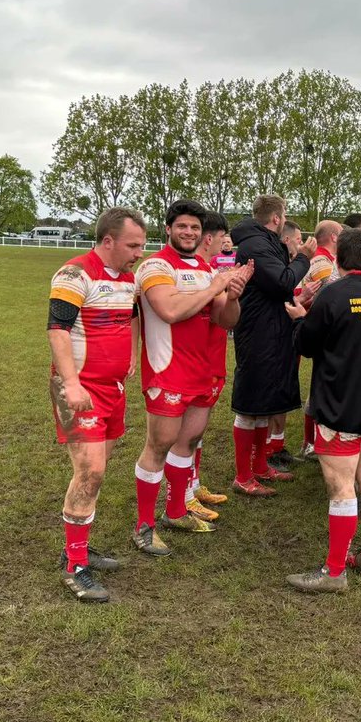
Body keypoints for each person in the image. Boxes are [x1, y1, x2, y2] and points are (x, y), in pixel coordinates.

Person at [282, 229, 361, 593]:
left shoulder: (333, 294)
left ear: (338, 258)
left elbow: (306, 344)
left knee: (340, 486)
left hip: (339, 403)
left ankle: (335, 571)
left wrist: (298, 317)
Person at [133, 200, 252, 557]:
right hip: (167, 372)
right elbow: (169, 311)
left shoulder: (202, 267)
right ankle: (143, 527)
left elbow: (225, 321)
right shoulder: (155, 266)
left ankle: (175, 512)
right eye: (182, 226)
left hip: (202, 372)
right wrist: (215, 285)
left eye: (195, 228)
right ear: (168, 229)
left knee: (188, 443)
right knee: (159, 445)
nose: (189, 233)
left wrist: (232, 296)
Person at [47, 207, 148, 603]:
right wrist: (71, 383)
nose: (140, 252)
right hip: (80, 389)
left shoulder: (126, 278)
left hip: (113, 388)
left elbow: (134, 315)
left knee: (96, 471)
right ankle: (75, 566)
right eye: (133, 245)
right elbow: (56, 329)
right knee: (91, 472)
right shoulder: (74, 274)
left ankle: (79, 547)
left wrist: (133, 356)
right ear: (108, 241)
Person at [230, 195, 316, 497]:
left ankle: (261, 465)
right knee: (250, 403)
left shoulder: (263, 242)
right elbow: (281, 281)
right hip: (257, 333)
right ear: (277, 219)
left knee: (264, 403)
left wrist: (299, 298)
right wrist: (303, 257)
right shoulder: (256, 245)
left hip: (270, 329)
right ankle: (243, 475)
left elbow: (275, 289)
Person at [185, 211, 237, 523]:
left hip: (213, 360)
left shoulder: (209, 271)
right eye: (221, 238)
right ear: (209, 239)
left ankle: (192, 484)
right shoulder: (198, 274)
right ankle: (183, 496)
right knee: (186, 434)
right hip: (198, 364)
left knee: (197, 431)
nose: (224, 243)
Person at [297, 220, 344, 459]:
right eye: (342, 233)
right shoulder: (321, 262)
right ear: (334, 237)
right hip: (322, 332)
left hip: (324, 331)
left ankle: (314, 441)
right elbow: (334, 295)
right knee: (318, 390)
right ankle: (310, 443)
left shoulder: (327, 260)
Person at [264, 219, 308, 469]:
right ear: (287, 240)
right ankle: (267, 448)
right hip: (275, 339)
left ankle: (277, 445)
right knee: (273, 393)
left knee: (285, 391)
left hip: (291, 335)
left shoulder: (291, 266)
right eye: (299, 239)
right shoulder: (277, 268)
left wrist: (308, 296)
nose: (301, 244)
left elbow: (291, 298)